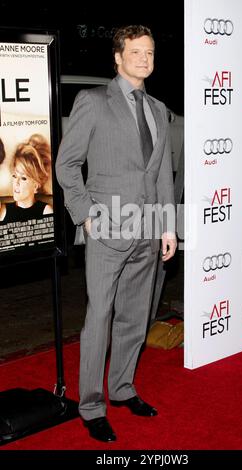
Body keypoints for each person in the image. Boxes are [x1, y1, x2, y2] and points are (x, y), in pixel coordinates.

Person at [56, 25, 177, 442]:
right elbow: (66, 165)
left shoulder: (159, 109)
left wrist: (167, 226)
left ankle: (123, 387)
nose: (145, 58)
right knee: (99, 318)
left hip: (147, 230)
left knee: (135, 317)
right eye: (136, 51)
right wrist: (86, 215)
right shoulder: (93, 101)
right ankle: (91, 406)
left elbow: (162, 174)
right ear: (118, 57)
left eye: (150, 51)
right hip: (107, 228)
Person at [1, 134, 53, 224]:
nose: (16, 182)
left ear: (36, 186)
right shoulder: (2, 211)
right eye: (14, 176)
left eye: (23, 178)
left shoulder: (46, 211)